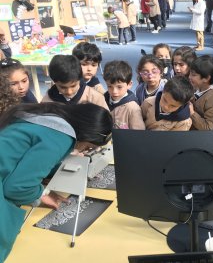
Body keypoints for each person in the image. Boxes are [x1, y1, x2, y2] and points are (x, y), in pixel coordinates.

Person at [0, 102, 112, 261]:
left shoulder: (44, 118)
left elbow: (23, 156)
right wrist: (42, 193)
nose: (86, 150)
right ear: (86, 133)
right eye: (88, 147)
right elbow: (17, 187)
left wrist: (60, 166)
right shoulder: (61, 135)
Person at [41, 55, 109, 110]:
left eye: (73, 86)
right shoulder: (47, 100)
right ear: (54, 82)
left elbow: (106, 121)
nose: (69, 92)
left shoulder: (95, 98)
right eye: (62, 87)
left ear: (80, 79)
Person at [103, 60, 145, 130]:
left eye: (119, 87)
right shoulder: (102, 100)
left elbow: (138, 134)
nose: (114, 91)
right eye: (110, 86)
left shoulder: (133, 108)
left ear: (129, 84)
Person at [188, 55, 213, 130]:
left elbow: (209, 127)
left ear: (206, 78)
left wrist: (192, 113)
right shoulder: (196, 86)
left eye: (193, 75)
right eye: (190, 73)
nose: (189, 77)